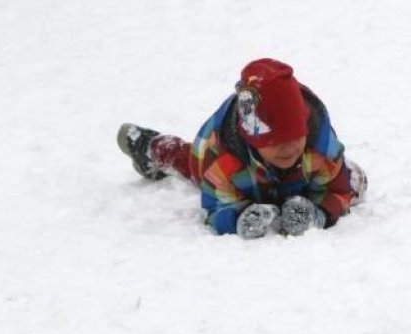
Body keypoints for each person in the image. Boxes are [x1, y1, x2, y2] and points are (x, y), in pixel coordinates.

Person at [115, 58, 367, 238]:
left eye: (295, 137)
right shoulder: (223, 160)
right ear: (252, 139)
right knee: (191, 164)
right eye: (275, 142)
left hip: (300, 177)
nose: (288, 148)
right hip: (232, 171)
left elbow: (338, 189)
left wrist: (318, 213)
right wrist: (238, 219)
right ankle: (151, 147)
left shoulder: (319, 147)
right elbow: (215, 208)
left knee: (353, 179)